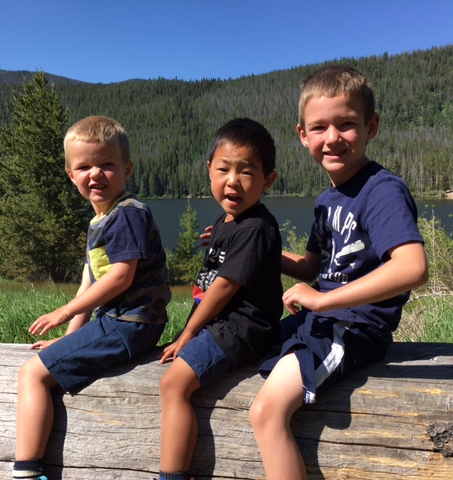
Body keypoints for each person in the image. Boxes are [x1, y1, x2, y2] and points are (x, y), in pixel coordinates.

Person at [249, 66, 429, 480]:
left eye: (346, 124)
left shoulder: (381, 190)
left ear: (371, 127)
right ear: (303, 135)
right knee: (244, 346)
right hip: (322, 319)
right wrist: (253, 245)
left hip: (353, 327)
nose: (332, 137)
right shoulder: (327, 200)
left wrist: (323, 299)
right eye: (319, 127)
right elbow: (312, 267)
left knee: (266, 412)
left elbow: (412, 267)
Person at [12, 115, 171, 480]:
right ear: (71, 175)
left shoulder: (127, 214)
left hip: (130, 323)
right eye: (84, 167)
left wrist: (63, 311)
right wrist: (69, 337)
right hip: (119, 323)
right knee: (39, 367)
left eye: (107, 165)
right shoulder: (102, 219)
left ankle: (27, 471)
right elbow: (89, 282)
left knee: (32, 374)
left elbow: (120, 277)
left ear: (127, 170)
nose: (95, 174)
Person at [157, 118, 283, 480]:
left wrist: (188, 333)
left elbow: (225, 287)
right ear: (209, 170)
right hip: (222, 325)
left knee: (173, 385)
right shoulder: (230, 221)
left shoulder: (255, 227)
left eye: (247, 172)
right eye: (224, 169)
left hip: (242, 330)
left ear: (268, 180)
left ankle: (172, 476)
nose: (233, 181)